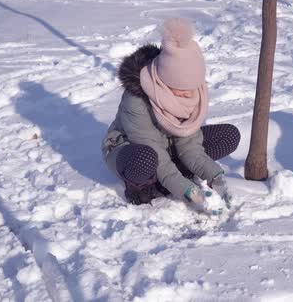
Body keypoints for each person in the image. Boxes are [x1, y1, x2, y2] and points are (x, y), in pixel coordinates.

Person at [101, 18, 240, 211]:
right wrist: (186, 189)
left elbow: (189, 144)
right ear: (165, 81)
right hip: (131, 149)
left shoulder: (190, 94)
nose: (188, 95)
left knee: (228, 135)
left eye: (192, 88)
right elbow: (152, 147)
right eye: (182, 89)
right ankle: (141, 188)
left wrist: (215, 177)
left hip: (168, 146)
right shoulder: (136, 99)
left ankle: (171, 174)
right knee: (146, 159)